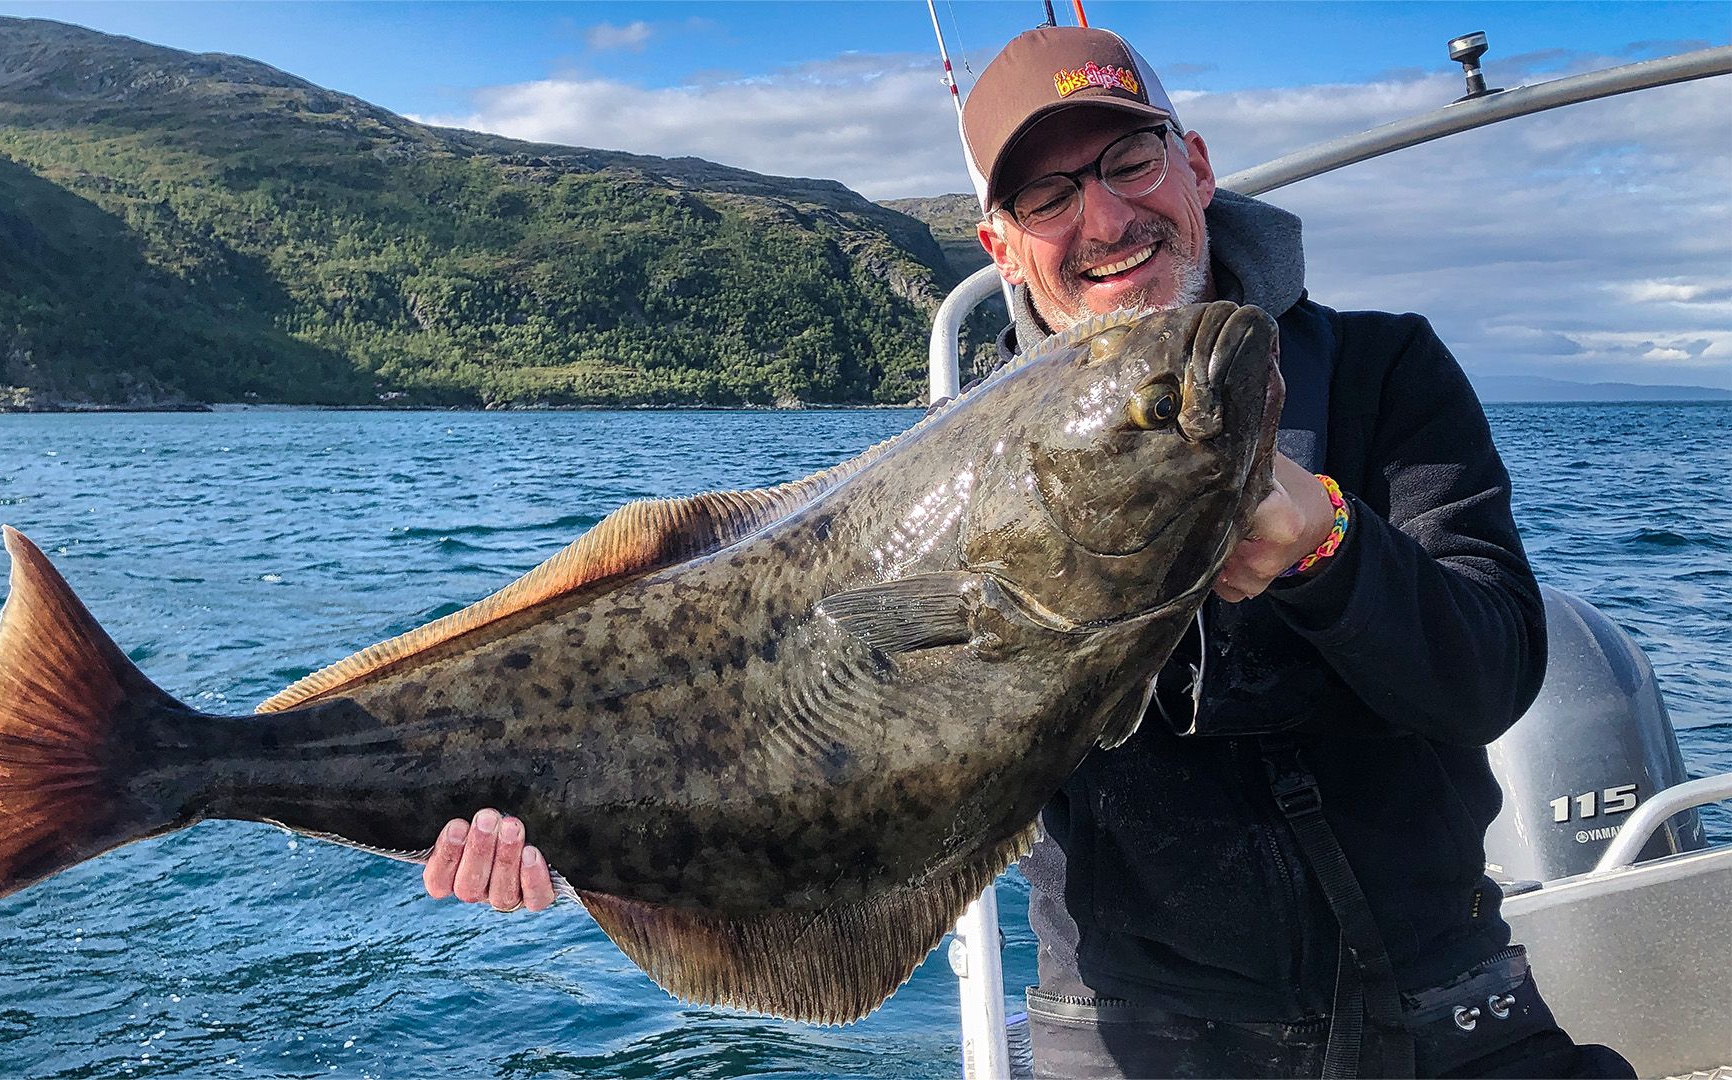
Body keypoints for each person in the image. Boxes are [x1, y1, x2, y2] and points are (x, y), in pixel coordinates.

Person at [421, 26, 1632, 1079]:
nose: (1104, 219)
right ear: (1001, 246)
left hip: (1448, 1002)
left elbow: (1491, 673)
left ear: (1195, 167)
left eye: (1129, 161)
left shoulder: (1385, 371)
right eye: (1049, 199)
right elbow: (804, 743)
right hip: (1137, 1035)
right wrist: (582, 831)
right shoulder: (938, 476)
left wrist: (1334, 552)